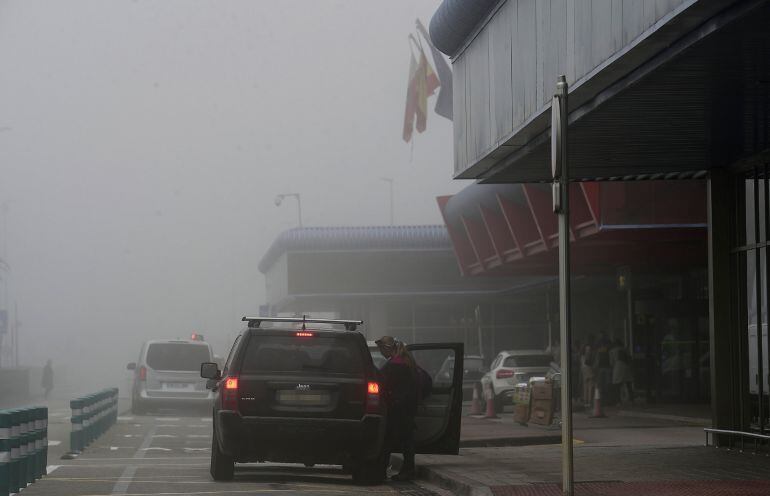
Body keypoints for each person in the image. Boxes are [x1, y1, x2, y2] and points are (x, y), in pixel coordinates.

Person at [375, 335, 419, 481]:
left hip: (396, 408)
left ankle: (380, 471)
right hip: (407, 407)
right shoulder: (408, 362)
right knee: (407, 441)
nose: (380, 353)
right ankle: (408, 470)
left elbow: (382, 383)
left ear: (386, 348)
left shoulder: (394, 365)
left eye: (381, 349)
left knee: (386, 440)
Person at [611, 339, 634, 405]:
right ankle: (631, 400)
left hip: (617, 368)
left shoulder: (612, 351)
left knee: (617, 386)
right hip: (626, 367)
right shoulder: (625, 349)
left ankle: (618, 401)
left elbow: (612, 363)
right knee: (628, 384)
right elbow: (630, 358)